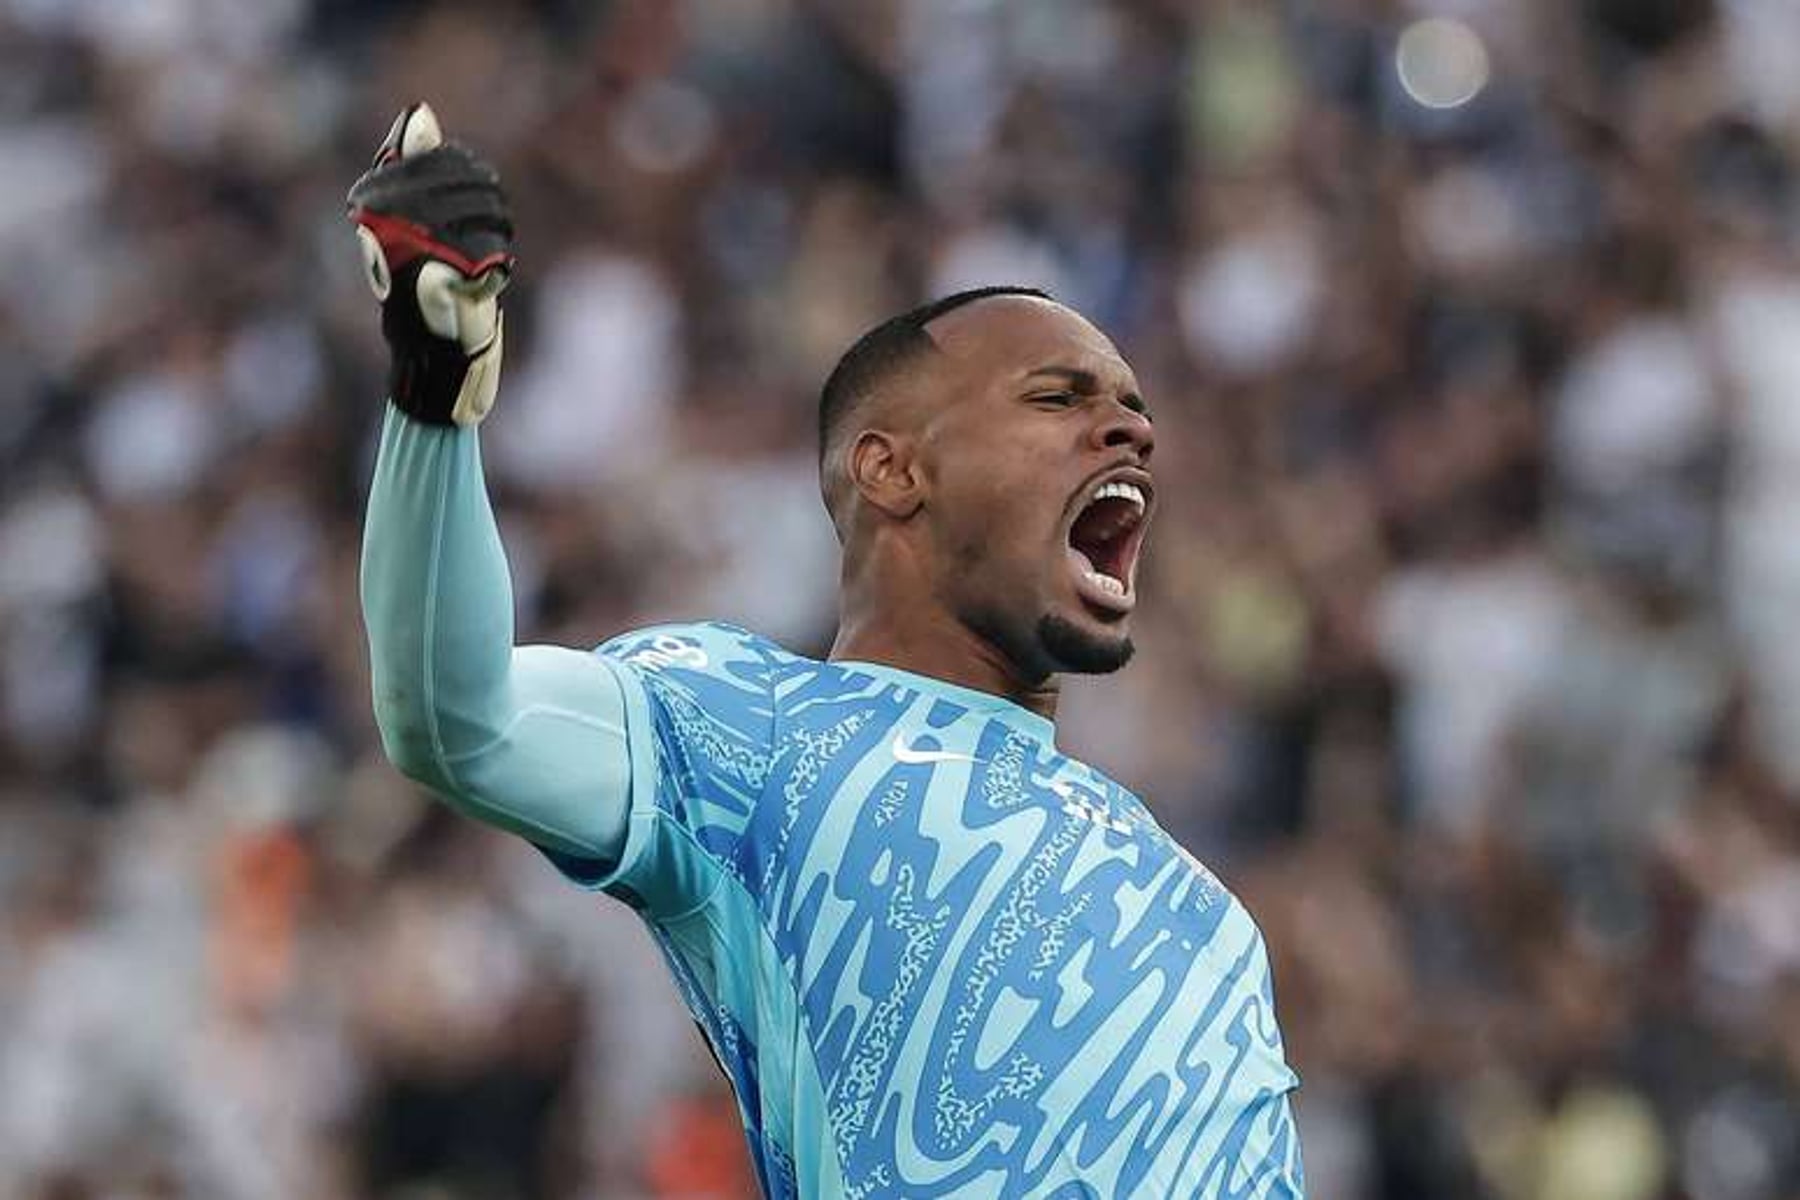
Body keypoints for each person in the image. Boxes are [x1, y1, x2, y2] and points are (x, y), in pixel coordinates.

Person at [353, 103, 1305, 1199]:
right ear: (891, 471)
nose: (1132, 429)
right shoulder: (749, 732)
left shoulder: (1203, 913)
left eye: (1134, 409)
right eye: (1058, 398)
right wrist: (434, 394)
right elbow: (456, 715)